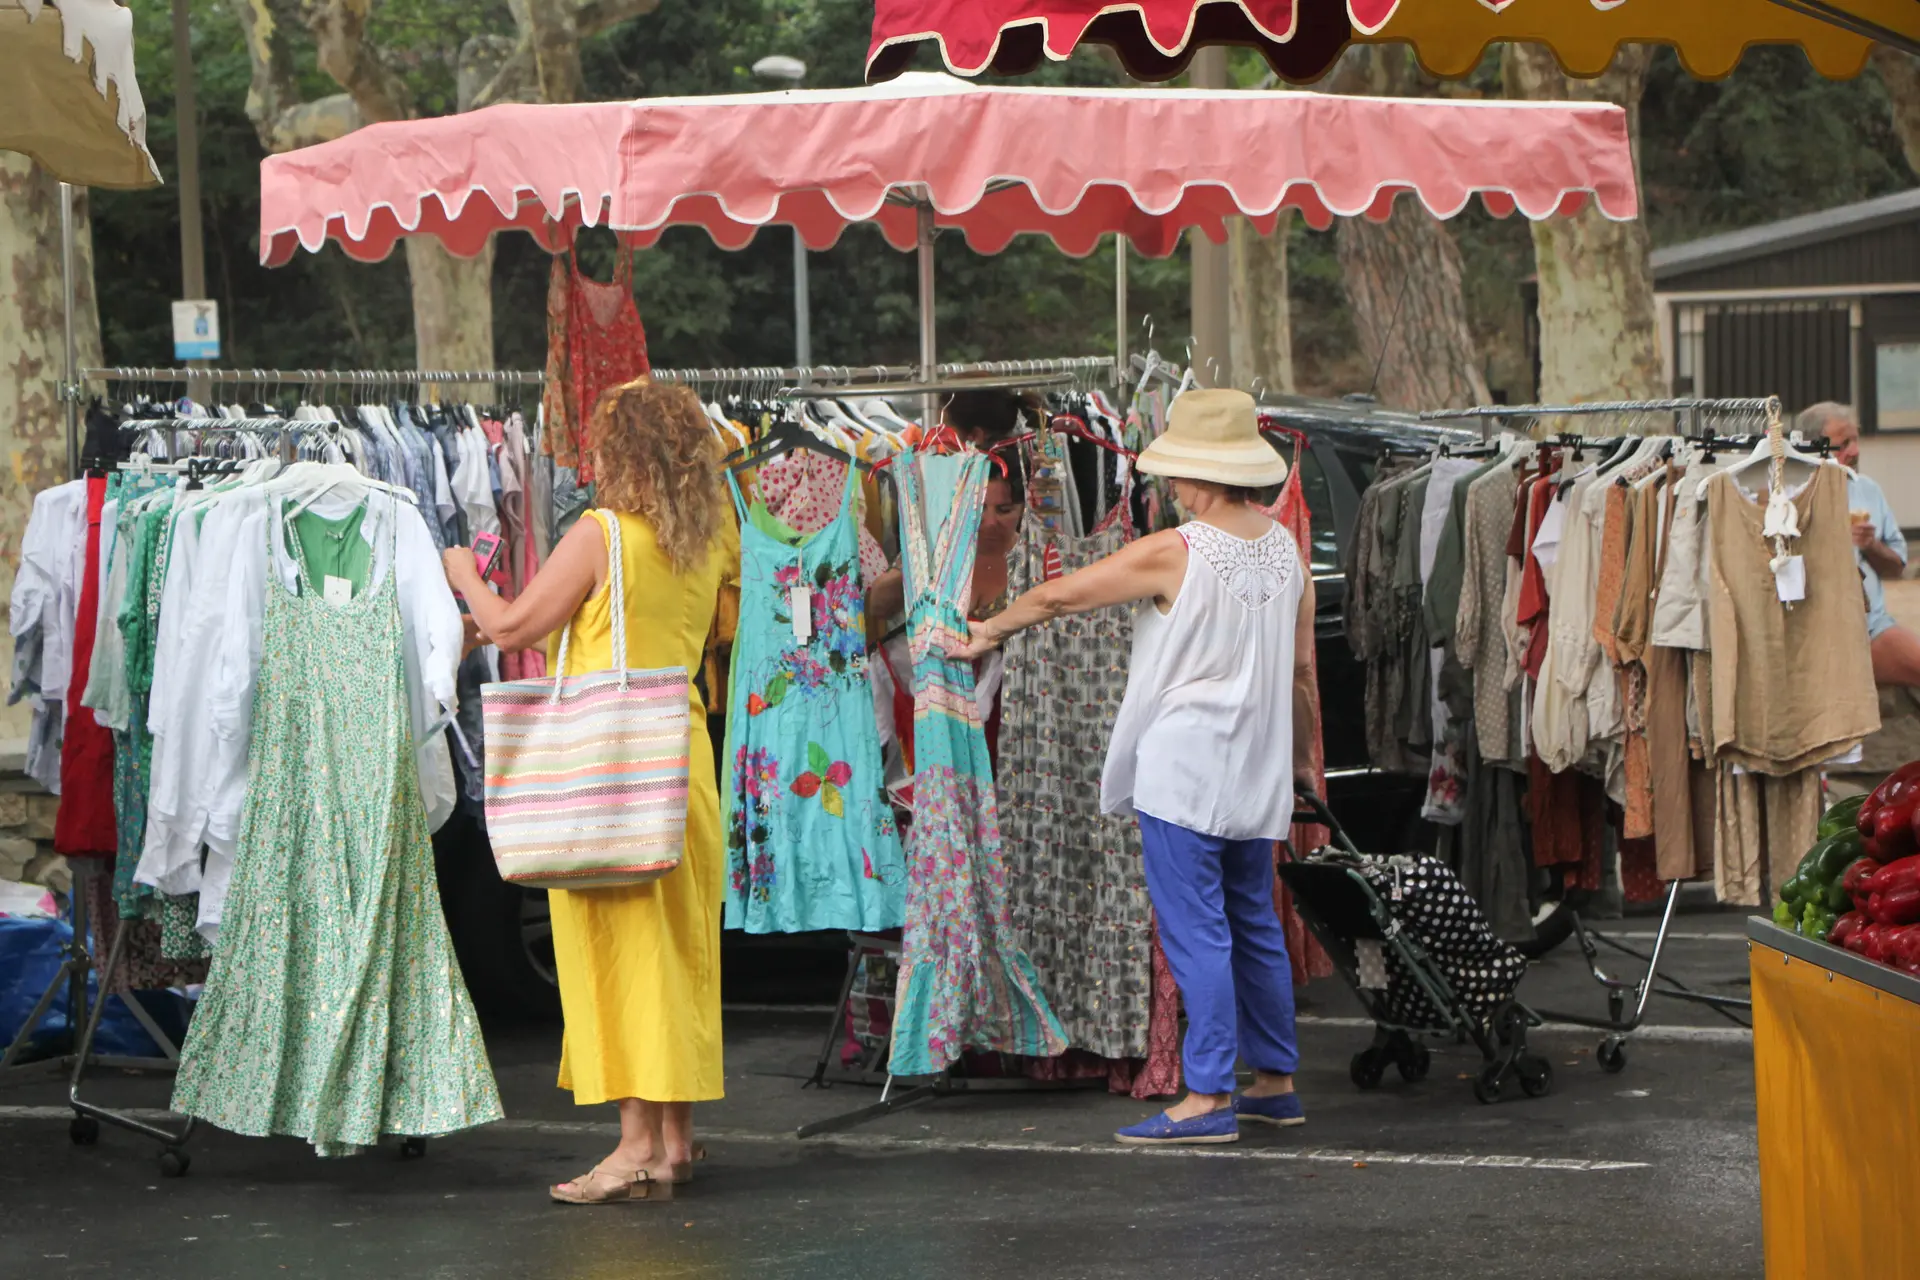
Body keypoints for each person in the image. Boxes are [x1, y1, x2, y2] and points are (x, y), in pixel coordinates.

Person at [954, 388, 1317, 1146]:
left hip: (1187, 769)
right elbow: (1303, 670)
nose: (1172, 486)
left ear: (1203, 475)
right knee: (1251, 922)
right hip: (1256, 769)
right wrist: (1305, 760)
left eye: (1179, 472)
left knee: (1197, 933)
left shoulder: (1178, 549)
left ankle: (1209, 1096)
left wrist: (988, 630)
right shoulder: (1284, 547)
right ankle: (1274, 1082)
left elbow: (1059, 597)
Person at [443, 379, 734, 1204]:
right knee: (674, 958)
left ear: (629, 452)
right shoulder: (710, 538)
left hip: (608, 769)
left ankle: (633, 1147)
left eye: (603, 443)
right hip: (678, 759)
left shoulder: (600, 534)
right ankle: (675, 1141)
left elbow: (509, 628)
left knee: (615, 959)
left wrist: (465, 573)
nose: (591, 457)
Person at [1799, 402, 1920, 687]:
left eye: (1855, 440)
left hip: (1871, 628)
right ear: (1813, 446)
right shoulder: (1794, 493)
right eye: (1843, 444)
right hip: (1815, 634)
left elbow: (1897, 569)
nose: (1854, 450)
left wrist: (1870, 545)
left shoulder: (1867, 489)